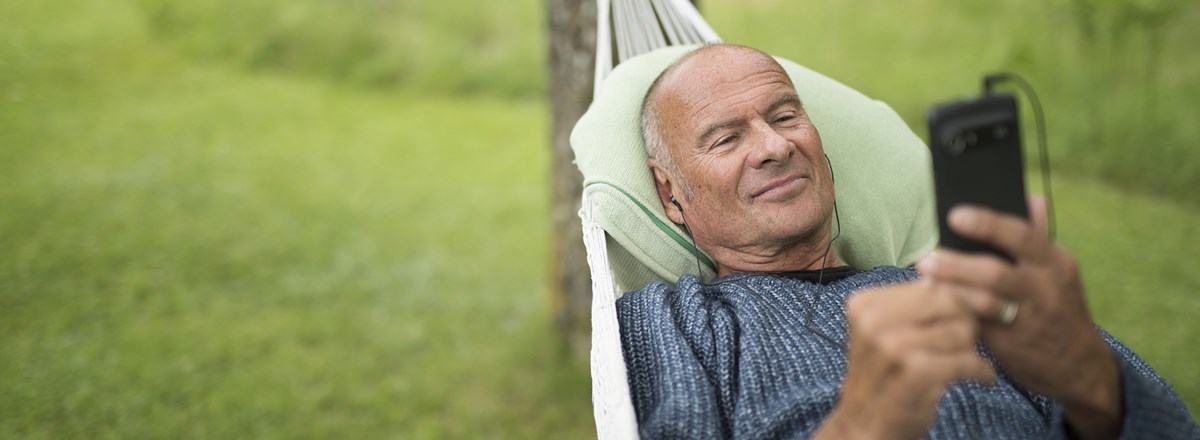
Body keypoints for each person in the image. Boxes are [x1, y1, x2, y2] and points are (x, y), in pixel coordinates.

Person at [617, 43, 1198, 439]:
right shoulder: (674, 321)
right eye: (725, 139)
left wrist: (1096, 390)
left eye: (786, 116)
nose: (773, 146)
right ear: (671, 196)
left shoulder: (959, 283)